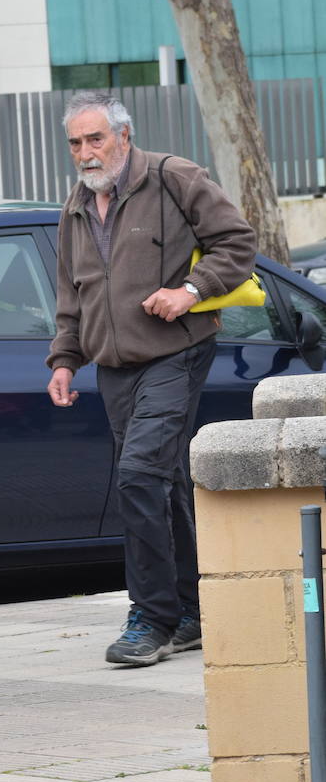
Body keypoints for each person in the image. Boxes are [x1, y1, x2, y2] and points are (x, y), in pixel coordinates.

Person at [46, 92, 255, 667]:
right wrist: (65, 360)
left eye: (96, 139)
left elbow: (237, 241)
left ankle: (152, 618)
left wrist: (189, 291)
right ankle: (189, 614)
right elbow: (73, 294)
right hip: (114, 368)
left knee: (138, 475)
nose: (86, 153)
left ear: (124, 136)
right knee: (162, 483)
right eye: (76, 143)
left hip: (176, 352)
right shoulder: (76, 206)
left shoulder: (173, 177)